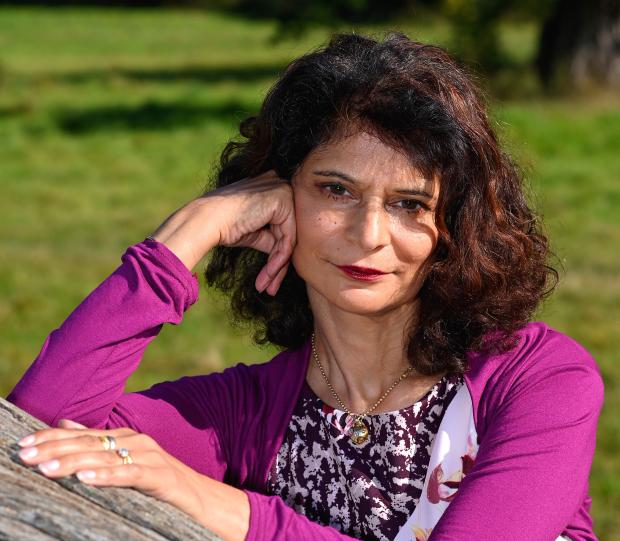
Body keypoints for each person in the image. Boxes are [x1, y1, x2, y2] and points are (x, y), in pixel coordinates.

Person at [7, 32, 604, 541]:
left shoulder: (537, 378)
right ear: (279, 197)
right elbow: (40, 427)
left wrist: (235, 511)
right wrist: (189, 232)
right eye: (334, 190)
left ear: (457, 228)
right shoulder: (249, 410)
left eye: (409, 204)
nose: (369, 234)